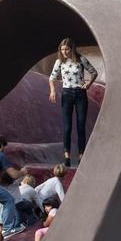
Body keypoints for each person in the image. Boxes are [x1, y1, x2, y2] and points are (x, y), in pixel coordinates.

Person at [48, 38, 99, 167]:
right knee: (67, 127)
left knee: (80, 126)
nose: (64, 52)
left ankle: (81, 155)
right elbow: (52, 78)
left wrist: (88, 84)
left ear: (72, 49)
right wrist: (53, 90)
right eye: (62, 49)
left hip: (80, 94)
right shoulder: (59, 62)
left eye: (67, 49)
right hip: (67, 94)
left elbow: (94, 72)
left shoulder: (80, 59)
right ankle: (67, 156)